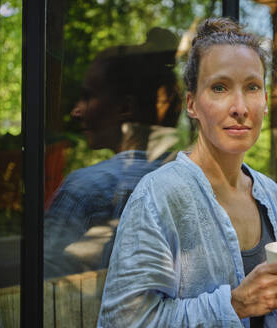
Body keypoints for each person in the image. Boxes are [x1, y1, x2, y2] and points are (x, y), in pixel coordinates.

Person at [98, 18, 277, 327]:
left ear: (265, 102)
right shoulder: (159, 195)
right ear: (192, 104)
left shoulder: (269, 192)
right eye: (219, 87)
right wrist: (236, 304)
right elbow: (124, 322)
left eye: (252, 87)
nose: (240, 107)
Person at [44, 27, 182, 279]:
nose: (76, 111)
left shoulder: (84, 190)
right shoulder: (187, 177)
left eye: (87, 97)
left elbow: (46, 284)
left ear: (125, 107)